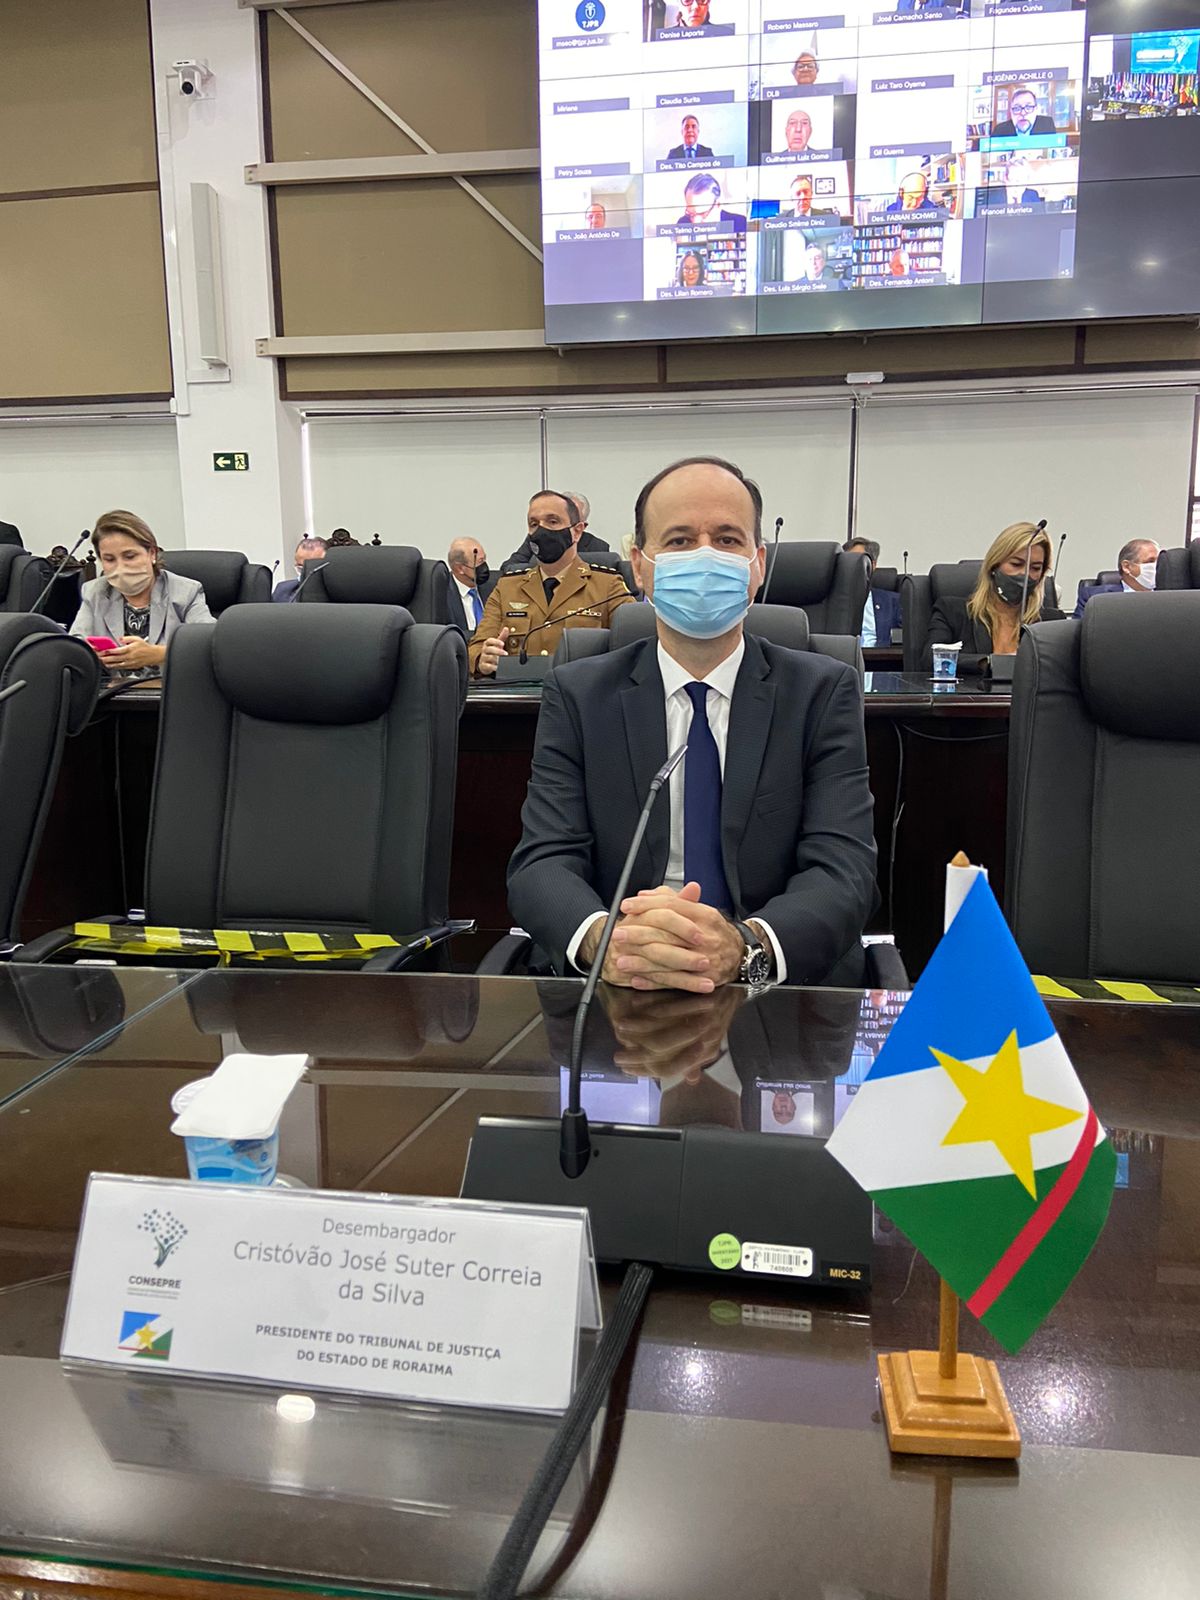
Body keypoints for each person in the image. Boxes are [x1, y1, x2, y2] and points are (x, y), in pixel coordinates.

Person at [507, 456, 878, 988]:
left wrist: (744, 945)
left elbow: (845, 869)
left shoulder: (821, 691)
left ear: (758, 563)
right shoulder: (579, 693)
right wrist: (606, 942)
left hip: (771, 986)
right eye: (679, 540)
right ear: (640, 564)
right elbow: (544, 860)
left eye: (727, 539)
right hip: (622, 980)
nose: (705, 555)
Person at [471, 492, 632, 676]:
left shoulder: (609, 587)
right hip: (518, 699)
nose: (542, 531)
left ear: (577, 531)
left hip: (582, 700)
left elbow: (636, 648)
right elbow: (476, 646)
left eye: (553, 522)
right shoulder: (507, 587)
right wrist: (483, 658)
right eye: (534, 524)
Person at [71, 509, 214, 675]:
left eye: (130, 556)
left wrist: (159, 654)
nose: (120, 566)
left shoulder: (185, 592)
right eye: (109, 559)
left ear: (152, 553)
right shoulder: (95, 592)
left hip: (171, 694)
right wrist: (89, 654)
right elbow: (75, 644)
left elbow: (210, 646)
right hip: (113, 695)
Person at [928, 521, 1061, 664]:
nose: (1025, 574)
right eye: (1016, 564)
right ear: (994, 565)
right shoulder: (952, 612)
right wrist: (990, 664)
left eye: (1035, 568)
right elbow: (931, 660)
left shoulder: (1051, 623)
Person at [503, 489, 610, 565]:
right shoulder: (535, 539)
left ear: (580, 528)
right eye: (534, 523)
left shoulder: (599, 547)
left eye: (553, 522)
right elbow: (509, 566)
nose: (543, 528)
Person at [1073, 539, 1160, 616]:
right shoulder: (1094, 598)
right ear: (1126, 567)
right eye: (1150, 561)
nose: (1157, 565)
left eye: (1159, 561)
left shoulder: (1169, 596)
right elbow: (1081, 631)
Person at [844, 538, 900, 645]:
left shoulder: (894, 602)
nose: (852, 566)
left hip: (880, 659)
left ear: (873, 565)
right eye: (847, 561)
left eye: (858, 560)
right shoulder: (831, 603)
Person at [676, 172, 747, 233]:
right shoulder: (682, 223)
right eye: (690, 213)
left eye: (702, 214)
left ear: (718, 205)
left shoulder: (740, 223)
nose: (695, 222)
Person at [446, 537, 491, 632]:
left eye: (484, 560)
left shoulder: (493, 586)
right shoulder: (443, 595)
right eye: (480, 562)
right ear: (460, 569)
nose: (485, 567)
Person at [273, 536, 327, 602]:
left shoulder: (338, 592)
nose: (305, 571)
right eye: (300, 566)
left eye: (311, 566)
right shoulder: (283, 590)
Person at [992, 87, 1057, 139]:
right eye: (1017, 108)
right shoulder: (1000, 130)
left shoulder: (1047, 124)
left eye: (1028, 107)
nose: (1023, 113)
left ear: (1036, 110)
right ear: (1011, 111)